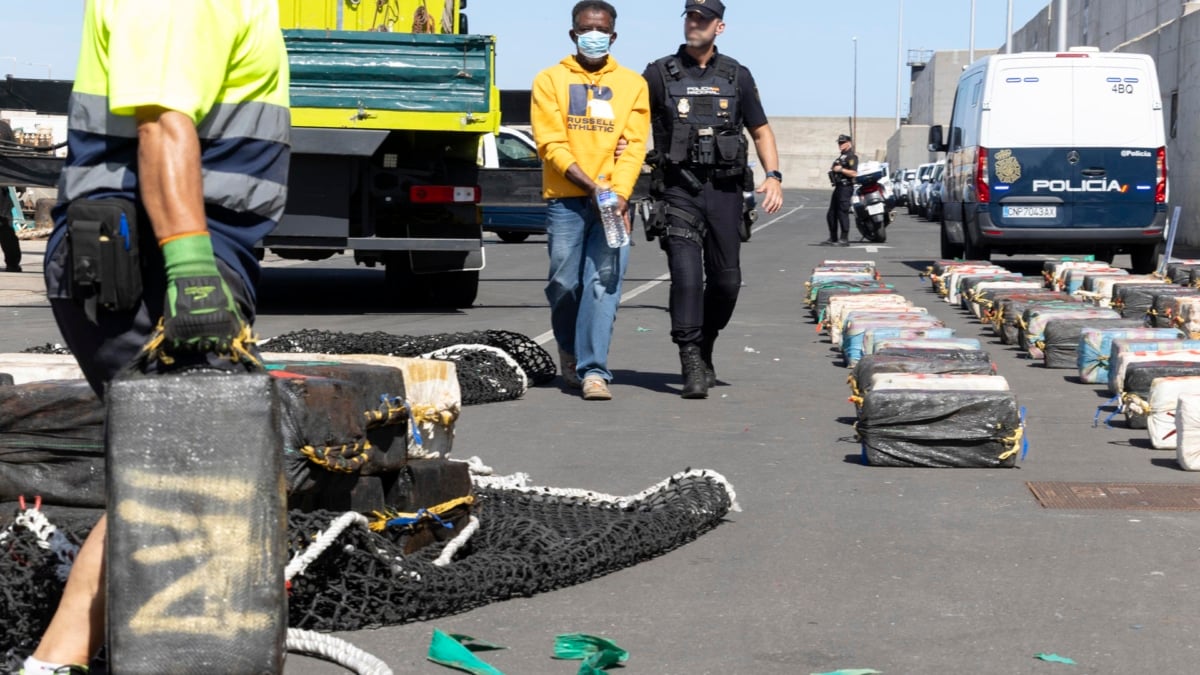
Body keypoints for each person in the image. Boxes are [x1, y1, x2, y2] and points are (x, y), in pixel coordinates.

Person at [22, 1, 290, 673]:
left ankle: (58, 660)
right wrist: (192, 266)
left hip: (169, 252)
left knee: (170, 474)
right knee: (189, 469)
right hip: (150, 259)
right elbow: (163, 125)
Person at [643, 0, 783, 399]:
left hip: (724, 191)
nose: (694, 24)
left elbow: (760, 130)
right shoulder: (658, 73)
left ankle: (706, 344)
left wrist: (773, 176)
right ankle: (689, 357)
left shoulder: (737, 75)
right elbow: (633, 127)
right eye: (689, 17)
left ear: (718, 27)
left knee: (727, 281)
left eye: (702, 19)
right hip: (678, 190)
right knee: (686, 278)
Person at [532, 0, 650, 401]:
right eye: (586, 29)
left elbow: (634, 146)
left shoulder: (633, 84)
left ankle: (593, 370)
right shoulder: (549, 80)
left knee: (603, 283)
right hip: (567, 200)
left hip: (613, 203)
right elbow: (551, 143)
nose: (593, 36)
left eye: (601, 30)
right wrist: (592, 187)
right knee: (563, 283)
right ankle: (568, 347)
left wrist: (618, 194)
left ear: (613, 36)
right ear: (573, 34)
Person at [825, 133, 858, 246]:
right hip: (838, 187)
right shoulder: (841, 157)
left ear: (849, 143)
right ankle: (833, 237)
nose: (840, 144)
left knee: (842, 212)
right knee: (831, 214)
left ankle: (844, 239)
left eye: (842, 142)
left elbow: (854, 173)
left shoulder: (852, 157)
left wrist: (841, 170)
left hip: (846, 187)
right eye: (839, 142)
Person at [0, 119, 22, 272]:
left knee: (5, 225)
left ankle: (13, 262)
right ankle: (13, 263)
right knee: (5, 225)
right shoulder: (3, 128)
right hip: (1, 184)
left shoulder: (3, 128)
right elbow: (16, 155)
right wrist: (21, 183)